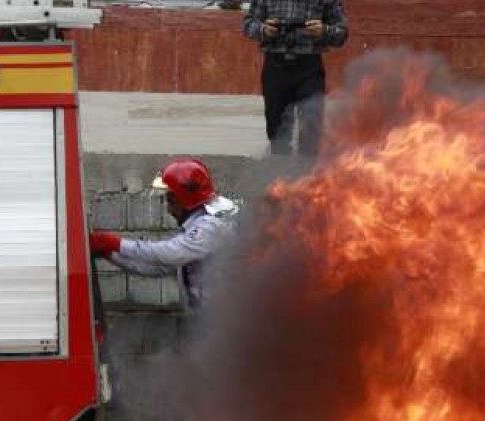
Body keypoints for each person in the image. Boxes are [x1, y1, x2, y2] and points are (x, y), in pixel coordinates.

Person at [89, 158, 238, 310]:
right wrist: (110, 253)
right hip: (208, 320)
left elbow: (170, 254)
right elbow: (158, 267)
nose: (169, 210)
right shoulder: (197, 226)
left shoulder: (211, 226)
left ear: (185, 199)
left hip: (225, 322)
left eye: (171, 202)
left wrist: (116, 244)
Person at [244, 0, 348, 156]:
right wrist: (263, 29)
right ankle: (279, 173)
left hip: (309, 68)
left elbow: (342, 33)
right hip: (275, 67)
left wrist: (324, 31)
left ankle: (306, 174)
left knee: (311, 126)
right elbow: (248, 25)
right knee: (277, 131)